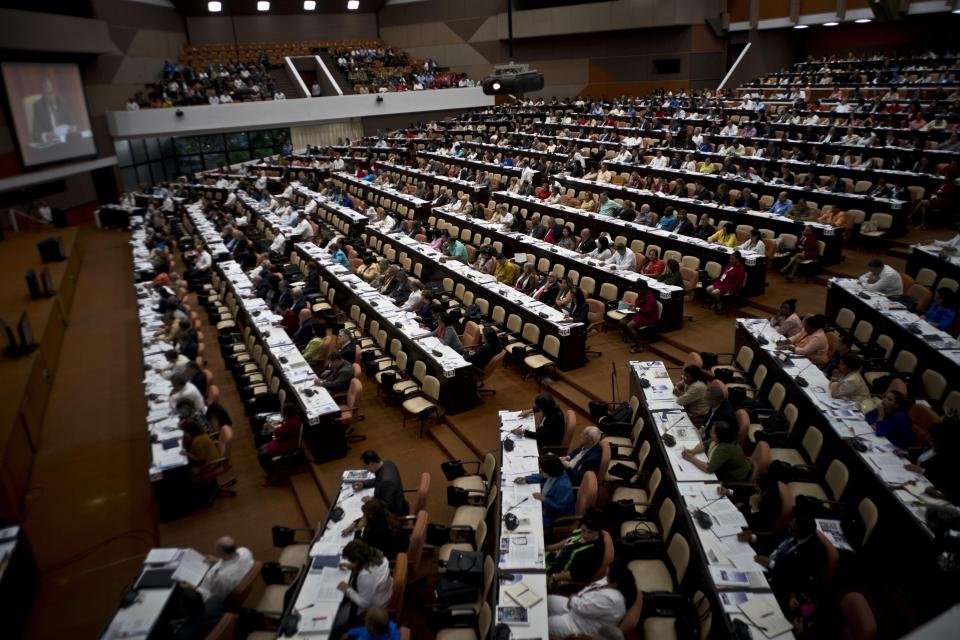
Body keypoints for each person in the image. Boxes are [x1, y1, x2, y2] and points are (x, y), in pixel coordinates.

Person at [547, 563, 636, 638]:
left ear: (615, 584)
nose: (606, 575)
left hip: (579, 624)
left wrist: (573, 599)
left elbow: (583, 608)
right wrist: (574, 599)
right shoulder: (610, 581)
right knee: (547, 601)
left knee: (546, 623)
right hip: (576, 604)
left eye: (608, 575)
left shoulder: (612, 600)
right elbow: (590, 588)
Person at [178, 536, 254, 605]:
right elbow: (232, 561)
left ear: (221, 552)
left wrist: (193, 588)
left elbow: (214, 598)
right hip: (223, 580)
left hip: (201, 591)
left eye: (217, 549)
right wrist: (217, 560)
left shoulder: (222, 578)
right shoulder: (245, 551)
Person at [901, 420, 960, 503]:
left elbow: (943, 480)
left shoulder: (949, 459)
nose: (927, 437)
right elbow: (920, 454)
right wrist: (907, 453)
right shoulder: (930, 444)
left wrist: (922, 471)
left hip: (930, 493)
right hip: (913, 479)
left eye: (932, 438)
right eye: (929, 434)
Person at [545, 508, 605, 589]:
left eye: (590, 532)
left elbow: (576, 574)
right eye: (583, 530)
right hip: (554, 558)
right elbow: (568, 541)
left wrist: (555, 577)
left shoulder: (593, 552)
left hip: (558, 573)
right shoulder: (580, 532)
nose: (585, 535)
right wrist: (549, 548)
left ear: (598, 531)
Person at [681, 420, 753, 483]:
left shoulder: (724, 448)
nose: (710, 434)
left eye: (713, 433)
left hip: (734, 478)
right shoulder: (722, 438)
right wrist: (692, 451)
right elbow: (704, 444)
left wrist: (691, 459)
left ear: (720, 435)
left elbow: (708, 468)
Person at [516, 454, 575, 528]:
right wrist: (526, 479)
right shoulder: (556, 473)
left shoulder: (563, 486)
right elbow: (542, 477)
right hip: (546, 505)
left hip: (555, 516)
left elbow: (561, 509)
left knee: (527, 523)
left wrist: (544, 499)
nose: (541, 471)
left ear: (550, 471)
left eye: (543, 470)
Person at [341, 498, 410, 560]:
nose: (363, 517)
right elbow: (366, 517)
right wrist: (354, 523)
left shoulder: (375, 532)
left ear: (371, 517)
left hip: (389, 557)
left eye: (365, 515)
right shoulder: (386, 514)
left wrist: (358, 529)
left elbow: (359, 549)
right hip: (399, 546)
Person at [336, 540, 393, 614]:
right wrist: (353, 566)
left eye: (351, 561)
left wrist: (347, 589)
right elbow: (369, 567)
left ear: (356, 561)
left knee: (339, 617)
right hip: (385, 592)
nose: (350, 562)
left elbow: (364, 603)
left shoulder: (366, 575)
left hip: (376, 605)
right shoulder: (378, 554)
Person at [257, 403, 302, 485]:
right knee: (260, 448)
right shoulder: (294, 418)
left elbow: (277, 432)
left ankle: (272, 476)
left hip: (287, 445)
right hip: (283, 441)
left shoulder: (292, 423)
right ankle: (272, 471)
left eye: (284, 414)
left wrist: (278, 428)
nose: (283, 415)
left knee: (261, 456)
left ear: (288, 414)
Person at [353, 450, 409, 516]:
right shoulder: (387, 463)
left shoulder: (386, 482)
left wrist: (371, 501)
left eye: (365, 467)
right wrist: (364, 484)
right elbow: (378, 479)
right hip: (398, 501)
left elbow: (387, 505)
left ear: (371, 464)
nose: (365, 469)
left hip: (394, 513)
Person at [31, 75, 76, 143]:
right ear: (43, 93)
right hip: (52, 144)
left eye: (52, 92)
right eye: (48, 93)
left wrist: (73, 129)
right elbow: (35, 135)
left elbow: (74, 124)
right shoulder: (38, 106)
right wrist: (46, 136)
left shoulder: (62, 102)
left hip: (67, 141)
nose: (51, 96)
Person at [618, 280, 658, 353]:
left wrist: (636, 308)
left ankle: (639, 345)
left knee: (630, 325)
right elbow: (638, 304)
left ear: (642, 289)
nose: (636, 291)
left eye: (638, 289)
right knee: (622, 322)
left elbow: (647, 311)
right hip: (639, 314)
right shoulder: (642, 293)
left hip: (648, 317)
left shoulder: (650, 297)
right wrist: (633, 307)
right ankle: (634, 340)